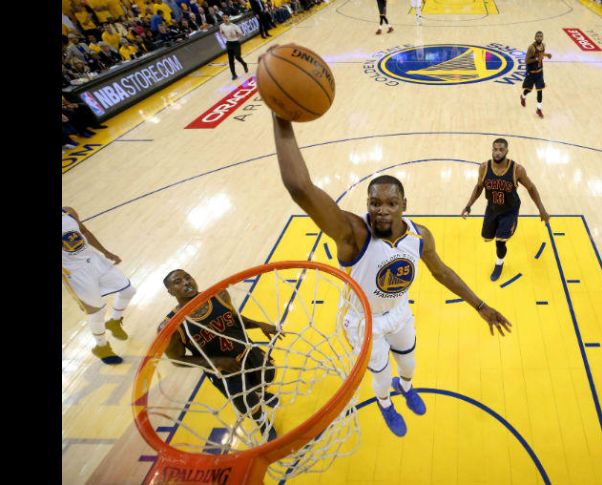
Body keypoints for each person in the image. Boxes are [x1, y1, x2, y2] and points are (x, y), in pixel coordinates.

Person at [263, 58, 512, 436]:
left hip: (399, 311)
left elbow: (441, 272)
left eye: (389, 203)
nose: (380, 210)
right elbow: (301, 189)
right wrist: (282, 115)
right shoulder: (353, 234)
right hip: (364, 323)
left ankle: (406, 388)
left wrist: (480, 305)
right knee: (379, 377)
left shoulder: (419, 235)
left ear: (403, 205)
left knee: (409, 364)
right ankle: (385, 404)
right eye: (374, 203)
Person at [160, 269, 282, 440]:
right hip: (223, 371)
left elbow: (234, 319)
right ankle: (262, 422)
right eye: (178, 282)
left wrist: (259, 324)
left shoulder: (219, 295)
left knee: (266, 377)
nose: (186, 282)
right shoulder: (171, 326)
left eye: (188, 277)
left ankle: (262, 393)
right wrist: (217, 361)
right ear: (170, 291)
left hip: (247, 352)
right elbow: (177, 360)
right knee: (248, 404)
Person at [461, 139, 550, 281]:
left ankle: (499, 263)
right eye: (495, 149)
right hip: (492, 208)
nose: (497, 152)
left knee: (500, 241)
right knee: (487, 237)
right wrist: (468, 205)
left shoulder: (517, 170)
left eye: (501, 149)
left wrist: (542, 210)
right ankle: (501, 238)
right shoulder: (484, 168)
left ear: (507, 151)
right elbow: (479, 187)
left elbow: (531, 188)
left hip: (509, 210)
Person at [62, 207, 136, 365]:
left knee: (128, 290)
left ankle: (114, 321)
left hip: (95, 261)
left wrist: (105, 252)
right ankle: (101, 347)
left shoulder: (67, 211)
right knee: (97, 312)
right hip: (76, 274)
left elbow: (85, 233)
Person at [519, 31, 551, 119]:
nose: (539, 38)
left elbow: (541, 54)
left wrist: (547, 55)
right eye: (538, 36)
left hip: (539, 72)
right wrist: (537, 58)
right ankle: (523, 96)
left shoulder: (543, 45)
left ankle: (539, 109)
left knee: (540, 91)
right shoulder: (531, 48)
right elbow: (526, 61)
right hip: (531, 73)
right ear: (535, 37)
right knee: (528, 90)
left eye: (541, 36)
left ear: (543, 38)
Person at [219, 14, 250, 80]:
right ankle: (234, 74)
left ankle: (244, 64)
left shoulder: (234, 26)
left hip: (236, 43)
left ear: (229, 18)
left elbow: (241, 33)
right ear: (223, 19)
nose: (225, 19)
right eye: (224, 18)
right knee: (230, 60)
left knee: (237, 56)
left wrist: (236, 34)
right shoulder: (221, 26)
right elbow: (221, 33)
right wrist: (226, 37)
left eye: (226, 17)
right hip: (229, 43)